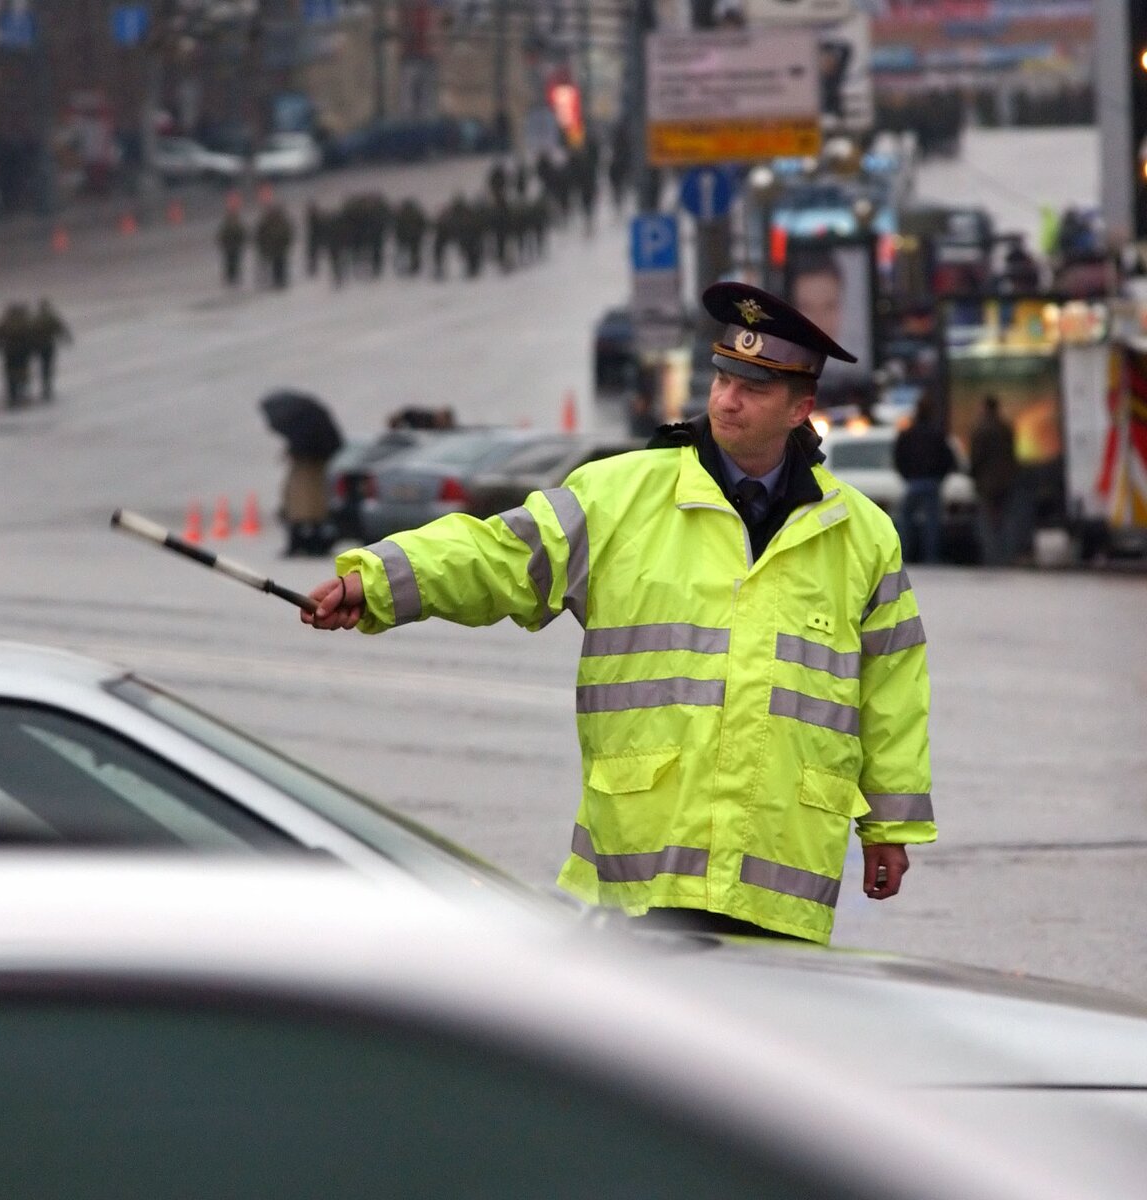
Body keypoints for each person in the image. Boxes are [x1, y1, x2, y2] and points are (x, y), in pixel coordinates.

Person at [300, 282, 936, 946]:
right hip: (639, 870)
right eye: (722, 378)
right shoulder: (619, 494)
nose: (727, 398)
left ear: (800, 408)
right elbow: (498, 556)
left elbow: (893, 689)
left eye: (755, 387)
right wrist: (380, 580)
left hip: (779, 883)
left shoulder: (861, 536)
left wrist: (889, 826)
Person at [893, 394, 958, 564]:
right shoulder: (937, 434)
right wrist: (939, 476)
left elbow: (898, 456)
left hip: (914, 482)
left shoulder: (908, 433)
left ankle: (904, 554)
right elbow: (949, 458)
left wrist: (906, 475)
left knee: (905, 520)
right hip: (931, 481)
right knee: (932, 523)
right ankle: (931, 557)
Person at [969, 394, 1019, 566]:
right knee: (1005, 519)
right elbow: (1012, 454)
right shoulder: (1006, 428)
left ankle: (991, 557)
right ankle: (1007, 556)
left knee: (987, 521)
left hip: (986, 482)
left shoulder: (981, 429)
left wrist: (973, 474)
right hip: (1006, 480)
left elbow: (977, 457)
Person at [28, 299, 72, 401]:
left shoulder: (35, 319)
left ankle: (42, 386)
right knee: (47, 367)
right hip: (48, 345)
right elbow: (61, 328)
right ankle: (46, 387)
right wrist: (67, 338)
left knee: (41, 366)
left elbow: (29, 332)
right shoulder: (51, 318)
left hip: (38, 346)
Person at [216, 205, 248, 288]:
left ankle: (233, 276)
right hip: (230, 246)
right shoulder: (228, 225)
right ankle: (231, 276)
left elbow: (242, 234)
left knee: (234, 262)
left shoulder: (235, 224)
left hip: (235, 246)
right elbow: (222, 235)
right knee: (230, 262)